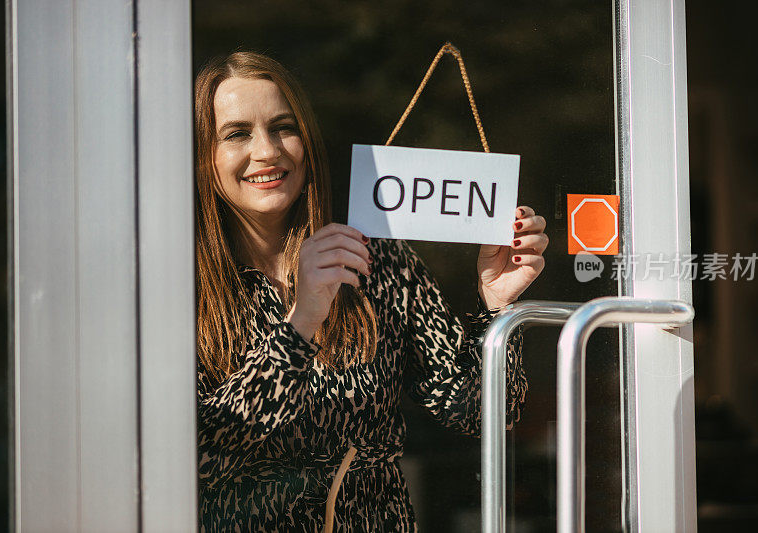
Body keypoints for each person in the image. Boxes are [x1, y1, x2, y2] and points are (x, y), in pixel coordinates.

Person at [194, 51, 549, 532]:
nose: (268, 151)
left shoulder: (372, 257)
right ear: (203, 156)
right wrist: (302, 323)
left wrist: (498, 306)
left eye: (283, 127)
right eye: (237, 133)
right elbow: (201, 453)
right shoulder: (174, 284)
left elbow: (481, 413)